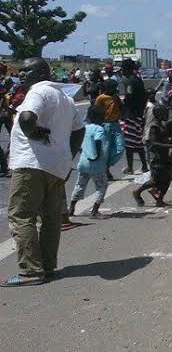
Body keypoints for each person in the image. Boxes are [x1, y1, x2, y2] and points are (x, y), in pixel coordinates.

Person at [3, 58, 85, 287]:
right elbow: (79, 130)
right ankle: (47, 267)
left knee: (21, 216)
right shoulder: (65, 99)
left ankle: (30, 271)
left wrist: (33, 133)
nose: (21, 74)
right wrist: (68, 156)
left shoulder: (37, 92)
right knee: (50, 219)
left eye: (26, 70)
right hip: (56, 168)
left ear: (39, 73)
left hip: (31, 165)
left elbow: (28, 118)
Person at [68, 105, 122, 220]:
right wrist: (96, 155)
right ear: (99, 118)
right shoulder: (99, 129)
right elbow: (98, 141)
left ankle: (71, 208)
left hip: (83, 162)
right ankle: (95, 211)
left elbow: (79, 144)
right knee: (101, 185)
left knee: (80, 185)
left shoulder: (85, 128)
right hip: (96, 163)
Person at [133, 105, 172, 207]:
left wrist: (170, 139)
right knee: (157, 180)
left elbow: (162, 138)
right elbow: (153, 143)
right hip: (157, 157)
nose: (167, 115)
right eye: (165, 113)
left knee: (167, 178)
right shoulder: (154, 126)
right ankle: (138, 192)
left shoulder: (161, 124)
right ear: (159, 114)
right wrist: (170, 145)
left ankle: (160, 199)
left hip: (164, 155)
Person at [120, 59, 148, 176]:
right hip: (139, 114)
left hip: (131, 115)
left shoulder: (131, 82)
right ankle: (144, 166)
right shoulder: (138, 80)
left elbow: (129, 99)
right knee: (137, 142)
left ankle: (131, 167)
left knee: (129, 143)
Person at [95, 79, 125, 181]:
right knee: (106, 149)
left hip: (116, 124)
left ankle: (107, 165)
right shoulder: (100, 98)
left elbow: (121, 108)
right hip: (105, 125)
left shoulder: (115, 97)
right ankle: (105, 169)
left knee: (120, 147)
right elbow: (96, 112)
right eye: (113, 88)